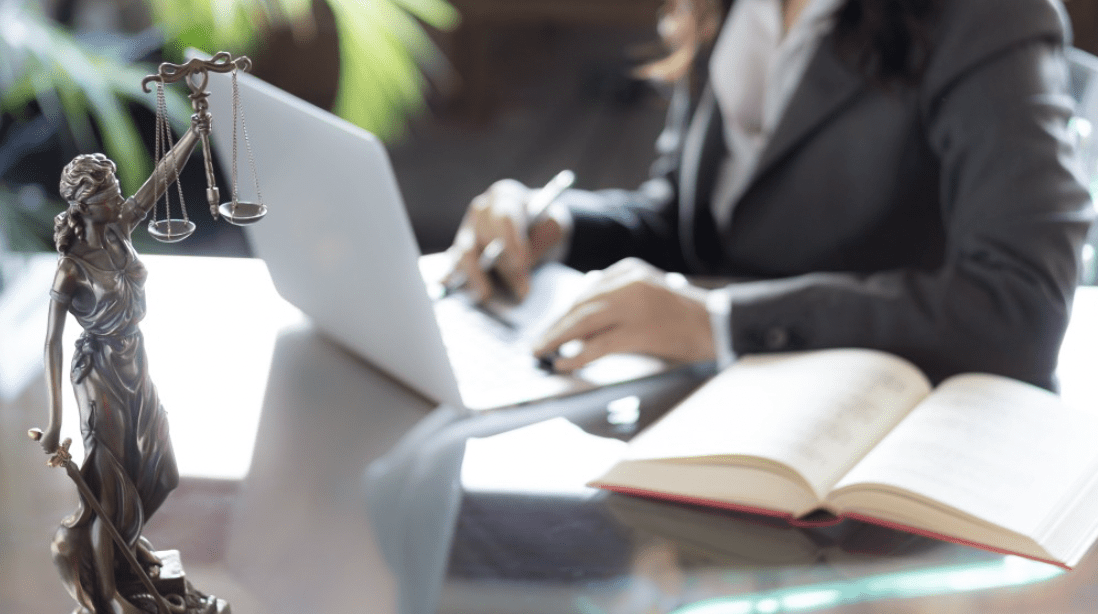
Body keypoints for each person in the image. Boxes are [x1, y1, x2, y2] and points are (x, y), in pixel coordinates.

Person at [445, 0, 1094, 391]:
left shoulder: (989, 15)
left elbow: (1021, 305)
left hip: (874, 445)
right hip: (717, 406)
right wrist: (558, 223)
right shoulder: (733, 9)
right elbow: (695, 222)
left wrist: (720, 322)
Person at [39, 111, 209, 614]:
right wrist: (54, 422)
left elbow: (158, 183)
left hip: (138, 363)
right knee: (109, 495)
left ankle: (124, 548)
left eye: (116, 190)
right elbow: (50, 341)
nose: (120, 199)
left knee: (162, 473)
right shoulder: (71, 268)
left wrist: (194, 136)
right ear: (86, 207)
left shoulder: (120, 229)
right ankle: (109, 596)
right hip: (99, 375)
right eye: (110, 194)